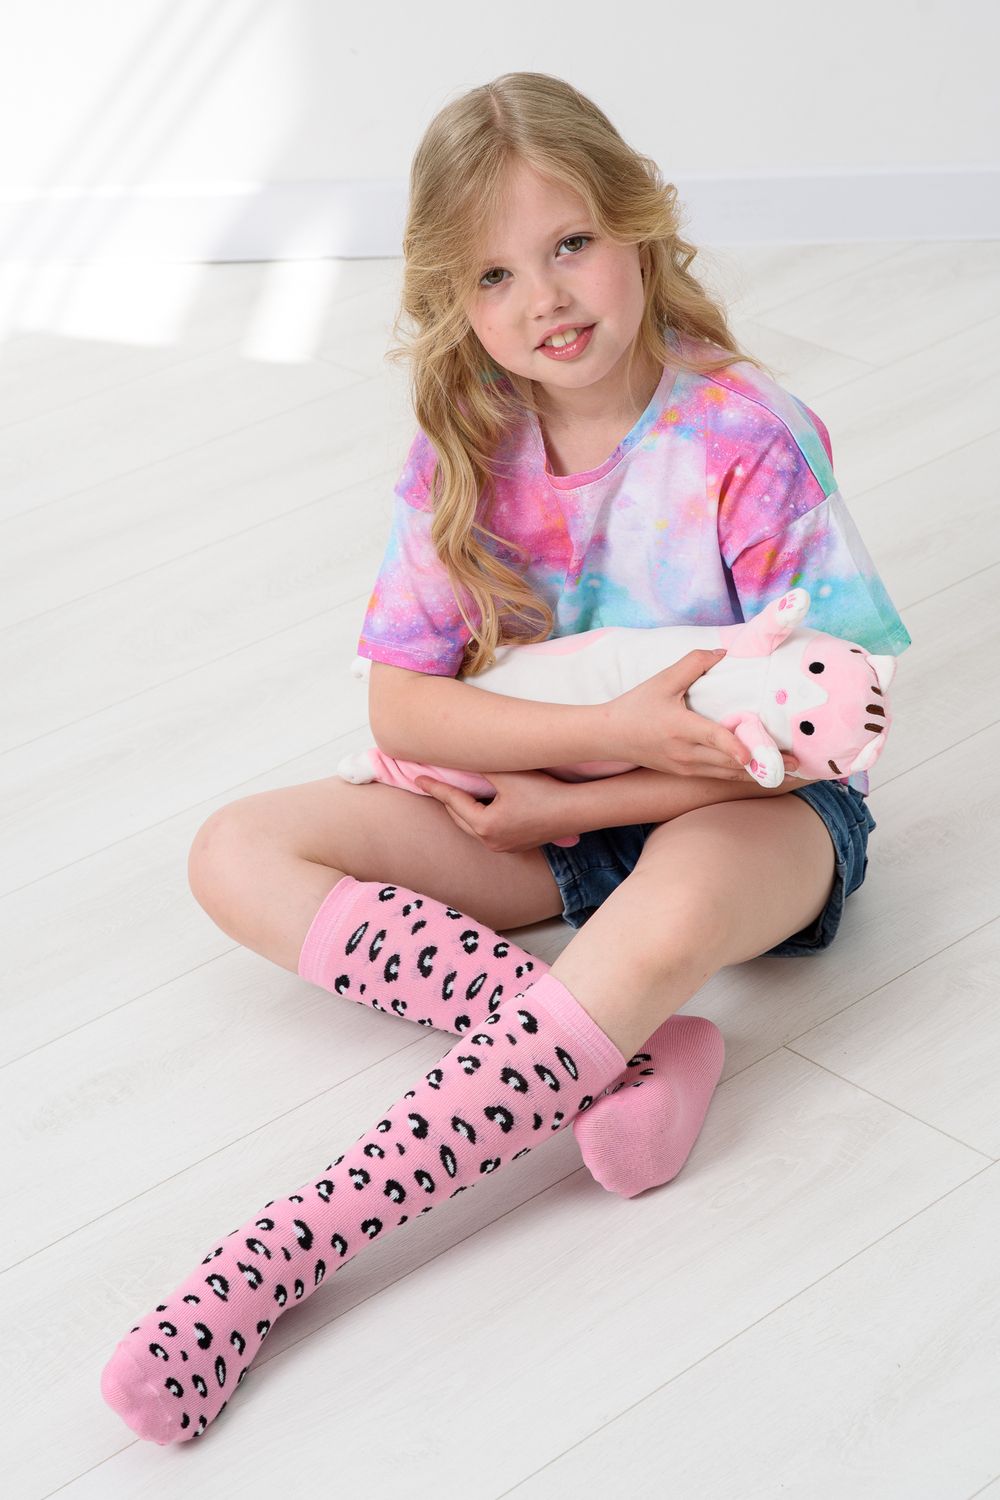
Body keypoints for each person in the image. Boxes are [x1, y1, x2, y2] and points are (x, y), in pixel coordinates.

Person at [100, 71, 912, 1444]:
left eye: (570, 243)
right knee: (236, 850)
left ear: (637, 225)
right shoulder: (471, 439)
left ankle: (280, 1255)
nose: (545, 298)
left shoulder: (746, 433)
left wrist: (585, 784)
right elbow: (404, 713)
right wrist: (573, 768)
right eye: (494, 273)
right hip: (554, 812)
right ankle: (628, 1052)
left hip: (755, 806)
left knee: (671, 901)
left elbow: (821, 721)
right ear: (456, 300)